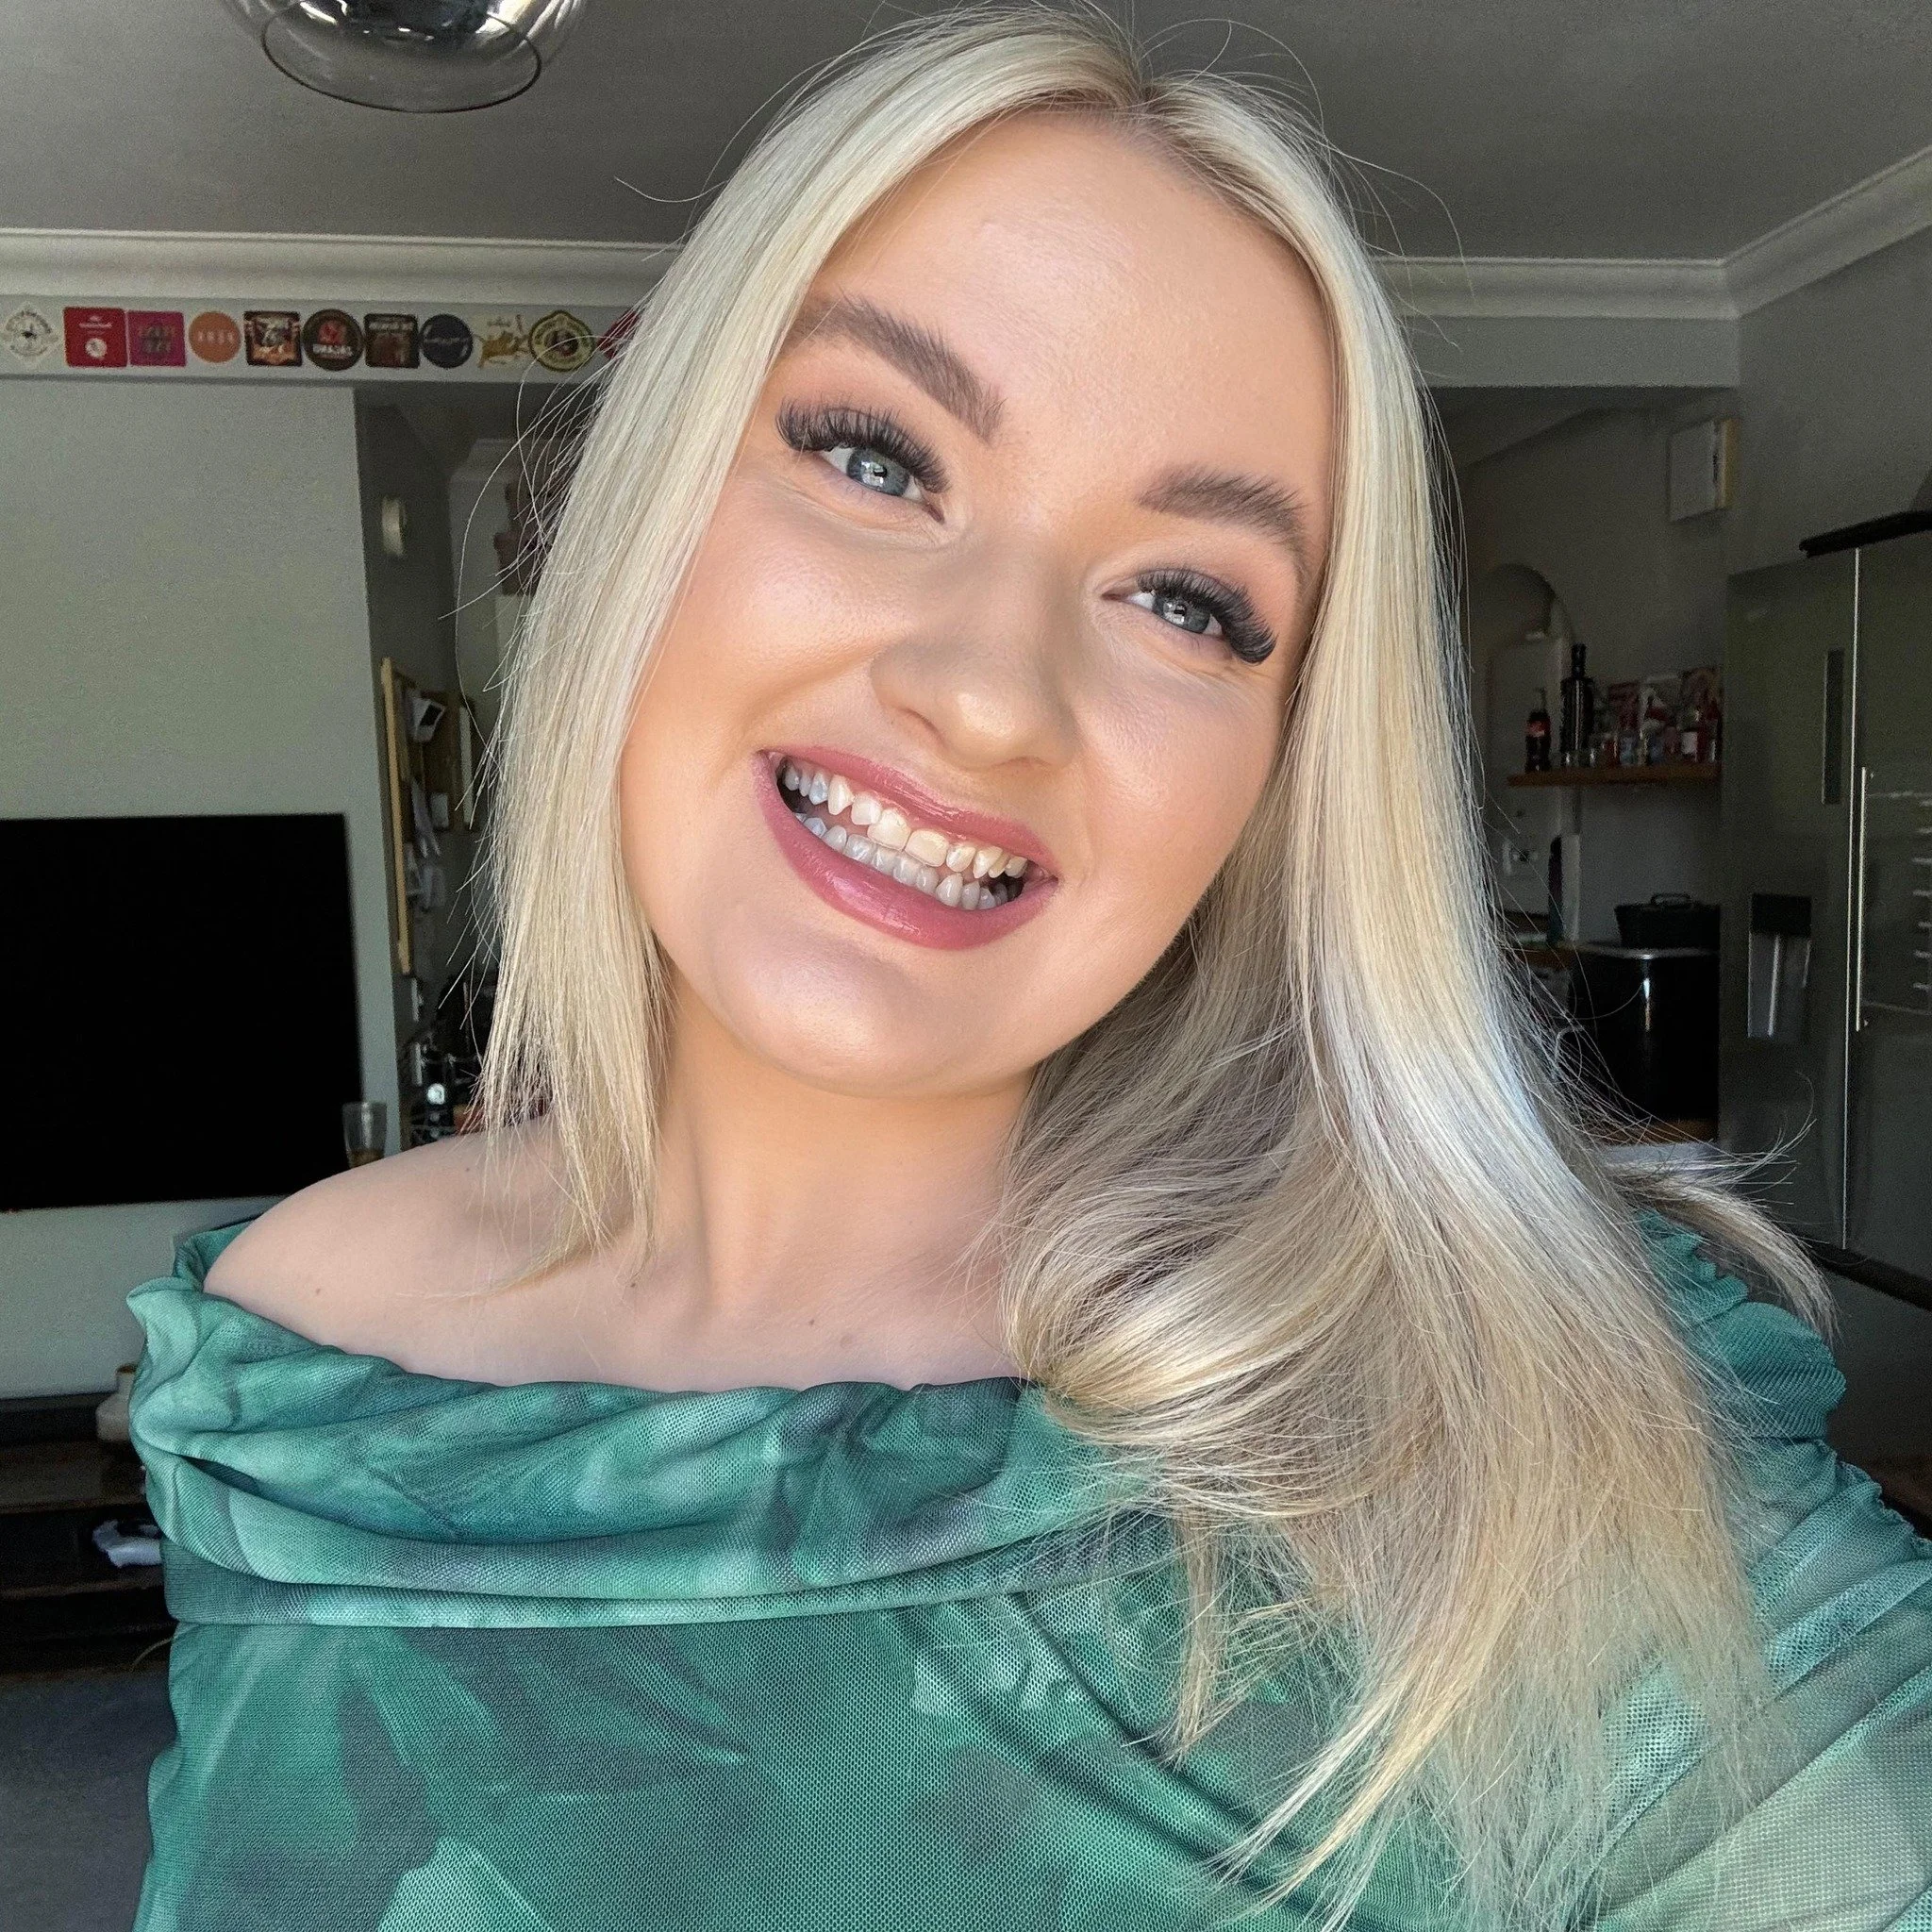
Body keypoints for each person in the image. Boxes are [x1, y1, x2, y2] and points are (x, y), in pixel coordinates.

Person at [125, 10, 1931, 1930]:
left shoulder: (1507, 1410)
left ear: (1277, 782)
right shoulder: (297, 1361)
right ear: (646, 513)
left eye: (1185, 599)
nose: (985, 691)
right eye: (872, 455)